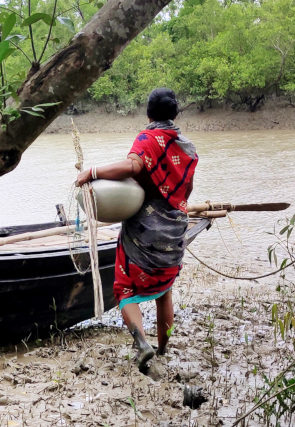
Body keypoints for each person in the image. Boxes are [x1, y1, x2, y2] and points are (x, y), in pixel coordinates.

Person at [76, 88, 198, 372]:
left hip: (144, 231)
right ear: (175, 113)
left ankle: (142, 344)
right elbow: (186, 192)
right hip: (176, 228)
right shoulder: (188, 148)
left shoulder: (148, 139)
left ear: (148, 113)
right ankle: (163, 349)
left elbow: (133, 166)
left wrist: (92, 172)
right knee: (165, 291)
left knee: (125, 289)